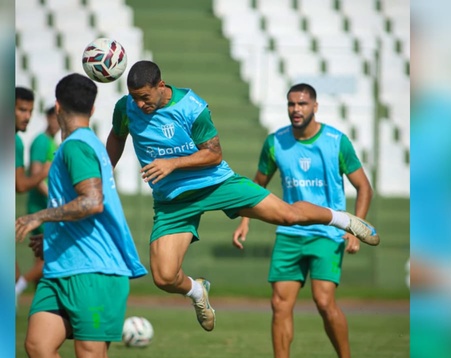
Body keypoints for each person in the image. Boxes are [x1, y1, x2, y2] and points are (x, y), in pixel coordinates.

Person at [106, 61, 380, 332]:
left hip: (216, 183)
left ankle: (344, 220)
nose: (140, 104)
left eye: (145, 97)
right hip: (172, 200)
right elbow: (117, 137)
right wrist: (106, 177)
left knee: (288, 216)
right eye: (134, 98)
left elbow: (214, 155)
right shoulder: (125, 108)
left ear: (161, 86)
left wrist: (172, 163)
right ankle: (197, 292)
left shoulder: (191, 107)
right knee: (164, 277)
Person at [15, 73, 154, 358]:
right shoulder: (84, 143)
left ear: (57, 107)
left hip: (94, 271)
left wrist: (37, 218)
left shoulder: (76, 146)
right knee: (38, 345)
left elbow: (92, 202)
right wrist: (53, 237)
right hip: (63, 269)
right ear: (93, 109)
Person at [231, 84, 369, 358]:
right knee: (280, 304)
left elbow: (364, 187)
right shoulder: (275, 143)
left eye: (303, 104)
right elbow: (258, 185)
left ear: (315, 106)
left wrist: (354, 228)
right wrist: (245, 221)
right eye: (291, 104)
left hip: (328, 234)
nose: (296, 109)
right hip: (290, 235)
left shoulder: (336, 142)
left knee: (324, 302)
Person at [18, 106, 60, 297]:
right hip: (42, 208)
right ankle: (18, 287)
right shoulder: (42, 142)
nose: (58, 121)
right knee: (50, 257)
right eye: (54, 117)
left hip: (47, 208)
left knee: (42, 259)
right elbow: (36, 175)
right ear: (48, 117)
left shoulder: (51, 142)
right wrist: (56, 199)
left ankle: (39, 302)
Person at [15, 86, 48, 298]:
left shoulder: (17, 141)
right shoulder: (17, 142)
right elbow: (20, 185)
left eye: (30, 111)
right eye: (21, 110)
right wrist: (44, 171)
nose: (27, 116)